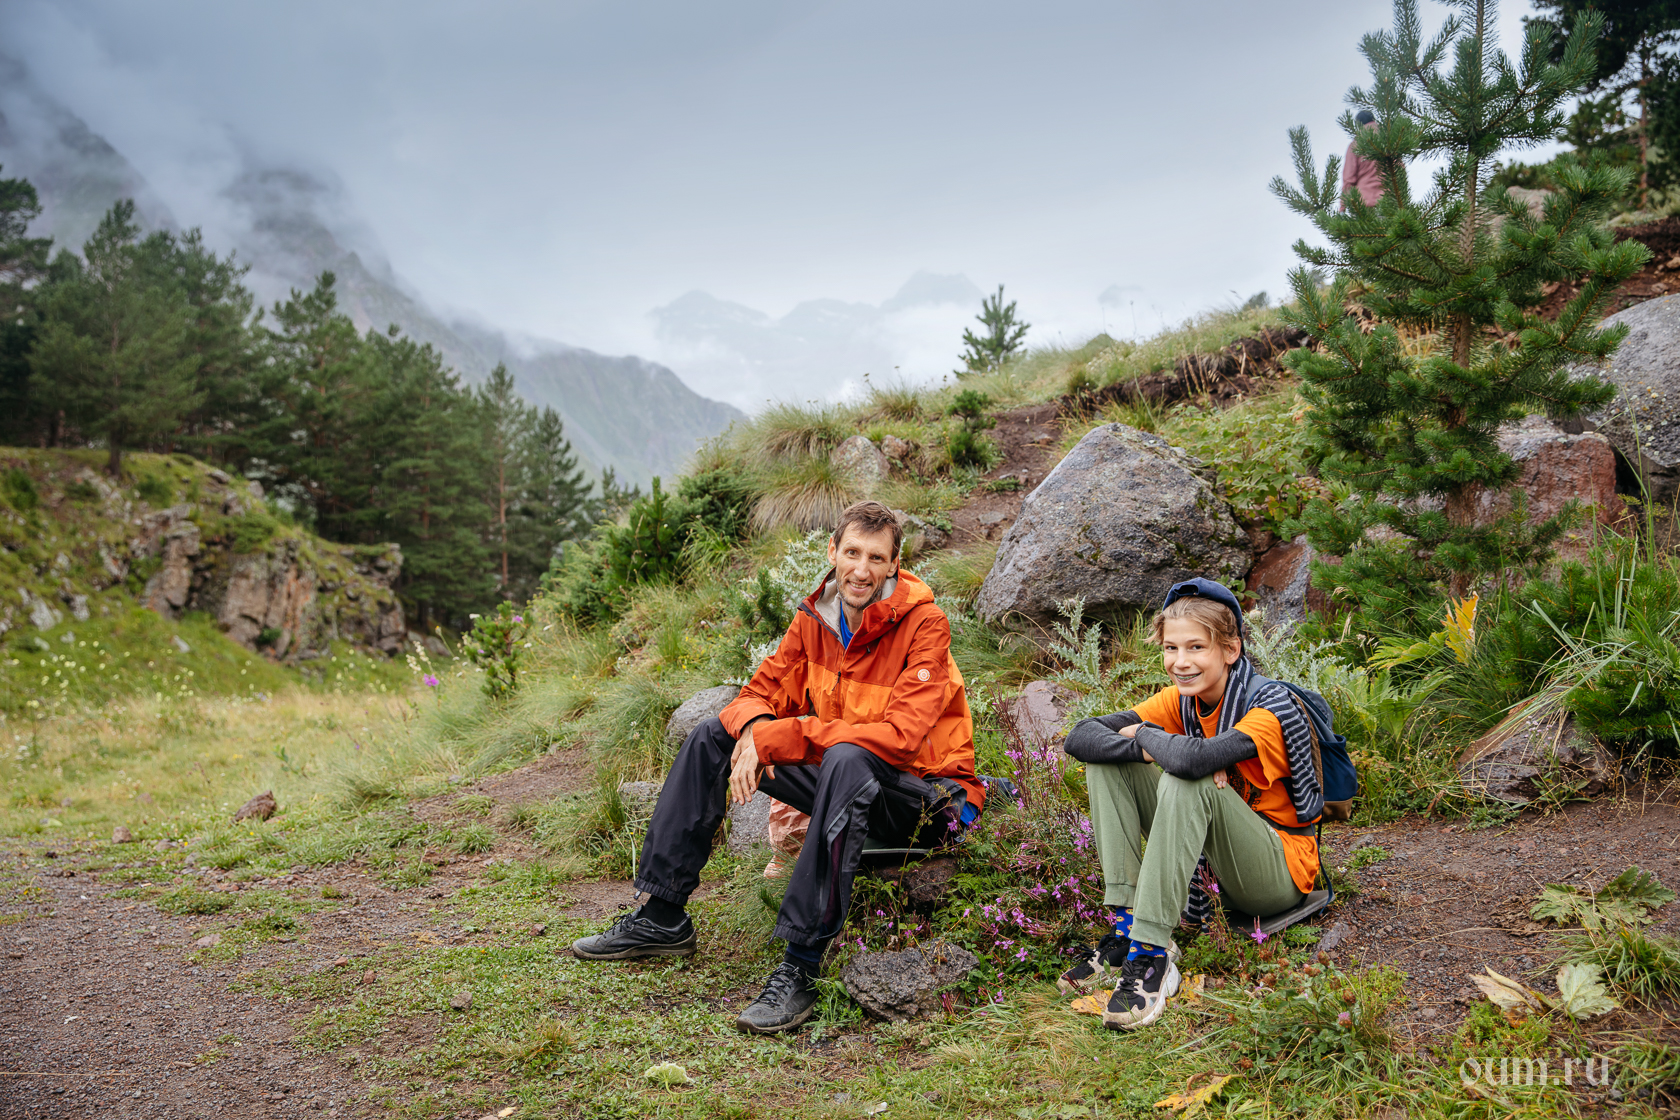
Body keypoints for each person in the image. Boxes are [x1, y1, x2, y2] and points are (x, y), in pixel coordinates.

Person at [571, 500, 984, 1034]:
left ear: (894, 565)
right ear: (832, 552)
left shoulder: (925, 625)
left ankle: (801, 965)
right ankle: (662, 915)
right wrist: (751, 733)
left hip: (929, 799)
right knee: (712, 735)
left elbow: (900, 739)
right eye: (852, 553)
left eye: (876, 558)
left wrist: (780, 737)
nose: (861, 570)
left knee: (847, 757)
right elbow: (756, 693)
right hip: (850, 781)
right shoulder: (816, 619)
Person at [1058, 578, 1322, 1031]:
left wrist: (1150, 736)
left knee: (1188, 777)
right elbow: (1081, 736)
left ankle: (1151, 955)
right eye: (1171, 648)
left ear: (1231, 649)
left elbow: (1190, 761)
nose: (1181, 662)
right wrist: (1156, 748)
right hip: (1214, 864)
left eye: (1196, 647)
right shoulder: (1181, 701)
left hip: (1275, 872)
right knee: (1107, 764)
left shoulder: (1270, 707)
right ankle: (1127, 926)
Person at [1341, 109, 1383, 208]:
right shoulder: (1388, 139)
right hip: (1390, 202)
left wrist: (1343, 207)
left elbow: (1349, 179)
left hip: (1365, 203)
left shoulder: (1355, 145)